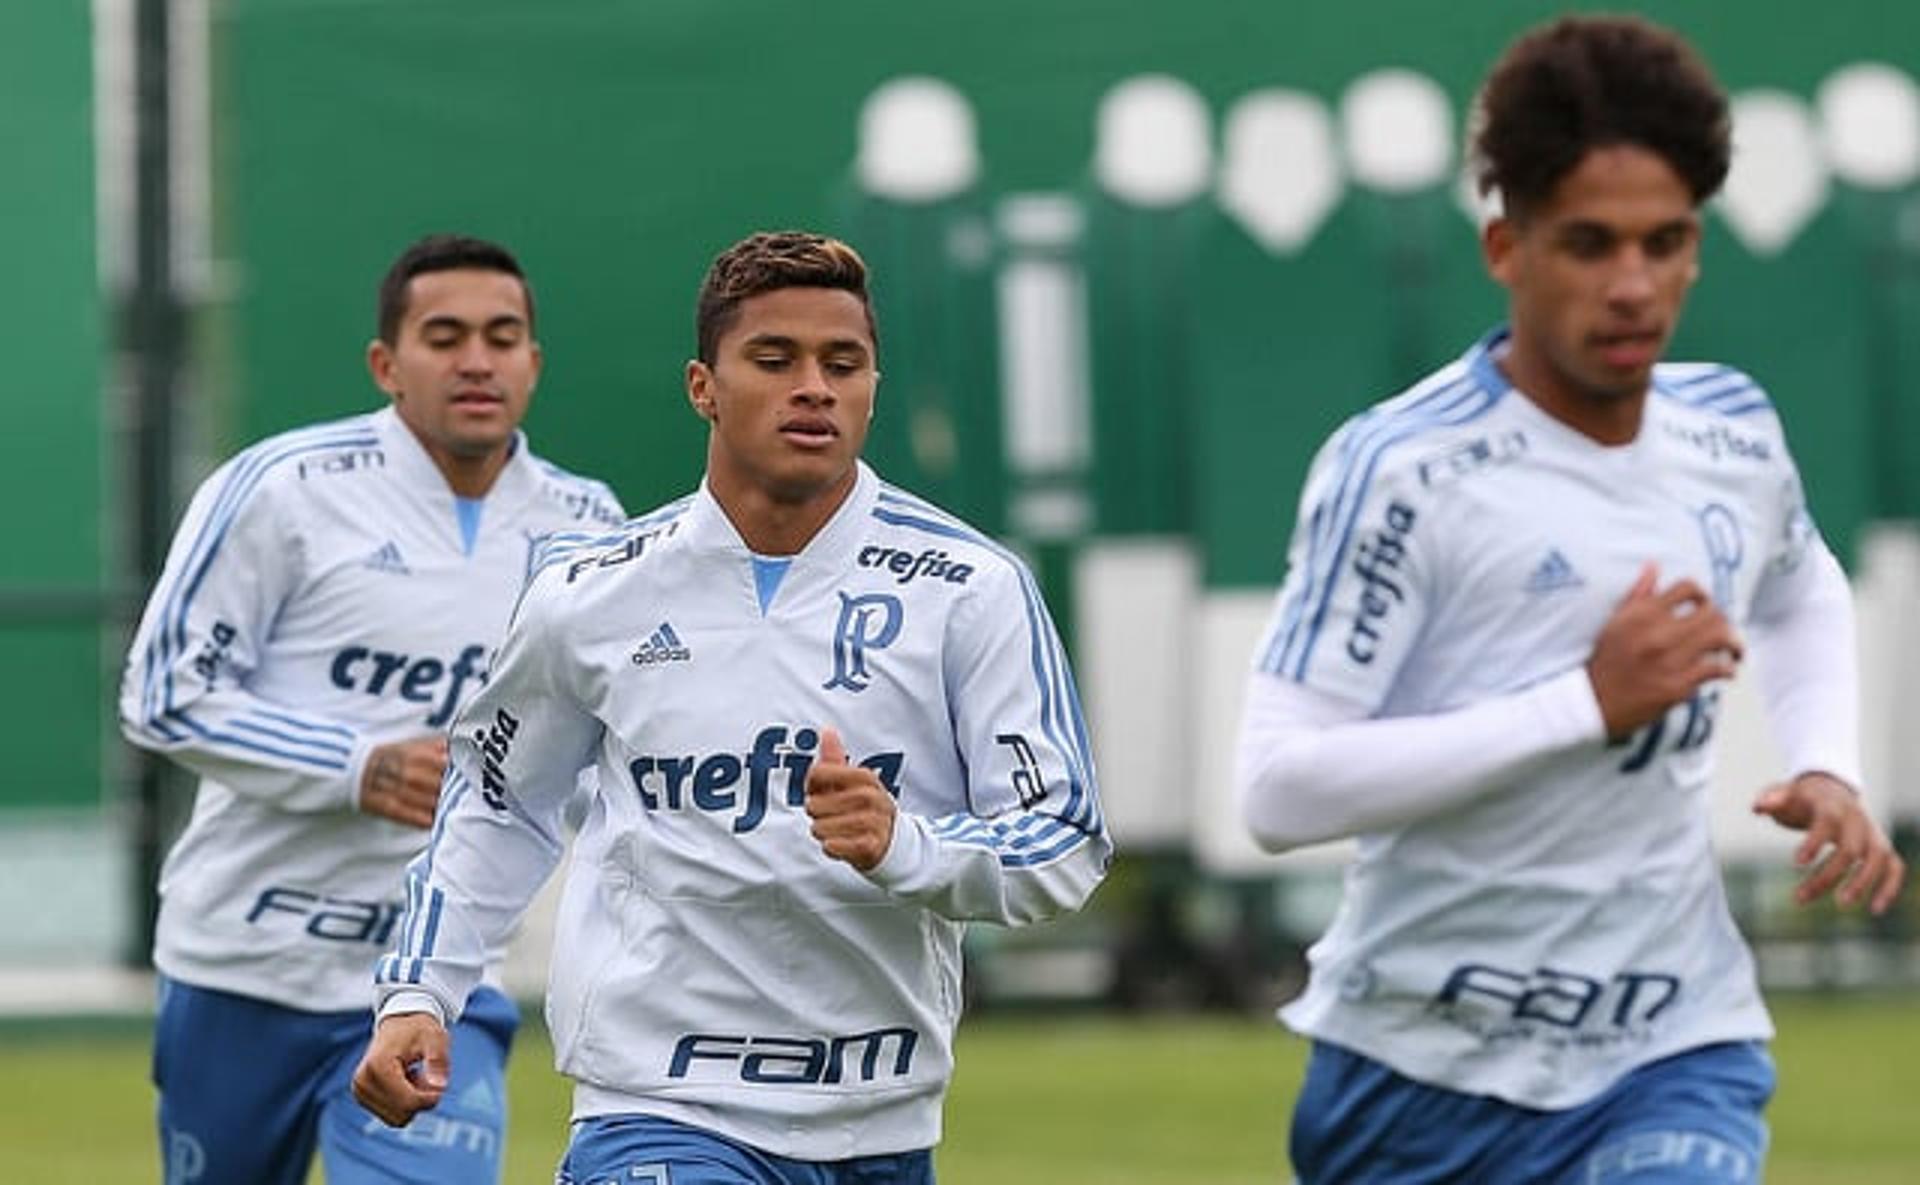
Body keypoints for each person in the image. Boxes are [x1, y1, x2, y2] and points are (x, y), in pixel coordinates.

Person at [1234, 16, 1907, 1184]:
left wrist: (1827, 758)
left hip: (1671, 1038)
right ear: (1507, 246)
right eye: (1591, 244)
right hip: (1413, 1069)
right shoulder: (1401, 472)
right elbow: (1280, 789)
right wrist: (1587, 702)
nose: (1635, 285)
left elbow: (1802, 590)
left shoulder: (1730, 434)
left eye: (1667, 242)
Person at [351, 230, 1111, 1182]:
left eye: (844, 363)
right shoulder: (590, 593)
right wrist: (421, 987)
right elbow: (500, 802)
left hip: (880, 1120)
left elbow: (1064, 839)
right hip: (657, 1107)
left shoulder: (971, 587)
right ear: (703, 387)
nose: (814, 388)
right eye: (775, 359)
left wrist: (905, 844)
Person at [120, 233, 625, 1185]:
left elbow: (607, 743)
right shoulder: (282, 489)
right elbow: (163, 694)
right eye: (445, 335)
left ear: (533, 363)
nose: (477, 358)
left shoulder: (590, 526)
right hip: (245, 962)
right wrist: (357, 764)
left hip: (435, 978)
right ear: (387, 365)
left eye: (502, 335)